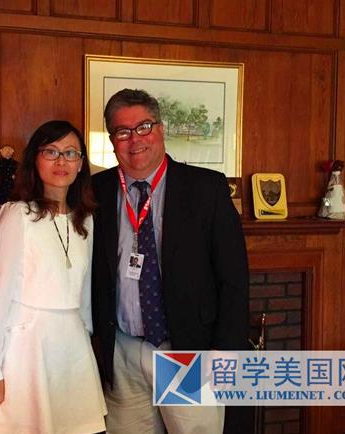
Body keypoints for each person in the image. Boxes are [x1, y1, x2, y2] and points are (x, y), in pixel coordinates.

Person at [91, 89, 249, 434]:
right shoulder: (95, 191)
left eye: (144, 127)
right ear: (113, 140)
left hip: (187, 349)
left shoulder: (206, 188)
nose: (135, 139)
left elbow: (234, 276)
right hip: (123, 351)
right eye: (123, 131)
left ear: (161, 129)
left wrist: (225, 348)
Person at [0, 120, 107, 433]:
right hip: (25, 348)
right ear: (35, 159)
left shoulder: (86, 220)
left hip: (72, 348)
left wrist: (86, 337)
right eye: (51, 151)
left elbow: (83, 294)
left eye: (70, 153)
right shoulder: (18, 215)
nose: (61, 161)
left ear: (81, 163)